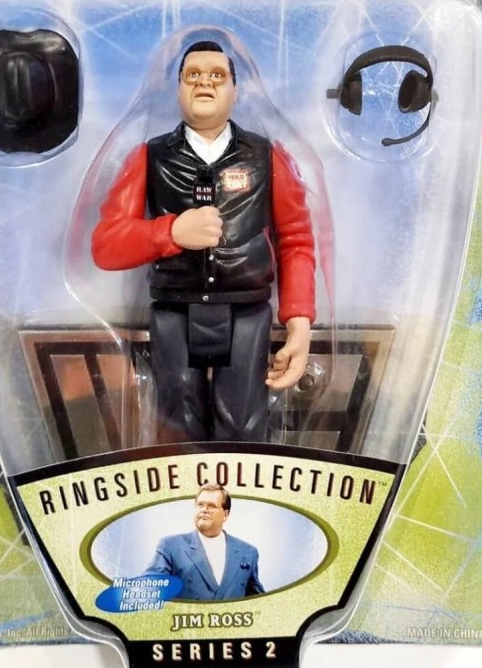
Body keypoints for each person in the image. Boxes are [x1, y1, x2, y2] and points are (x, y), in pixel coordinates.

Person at [91, 39, 316, 442]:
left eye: (217, 75)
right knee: (177, 425)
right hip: (174, 312)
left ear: (235, 90)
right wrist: (170, 232)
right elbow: (107, 244)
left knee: (244, 424)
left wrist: (299, 322)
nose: (204, 83)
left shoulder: (266, 157)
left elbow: (296, 241)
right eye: (192, 75)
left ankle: (244, 483)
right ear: (178, 88)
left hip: (247, 312)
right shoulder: (150, 157)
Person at [145, 484, 264, 601]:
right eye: (200, 505)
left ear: (225, 515)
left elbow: (258, 601)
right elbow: (149, 588)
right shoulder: (171, 547)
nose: (204, 510)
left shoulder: (248, 552)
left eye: (211, 506)